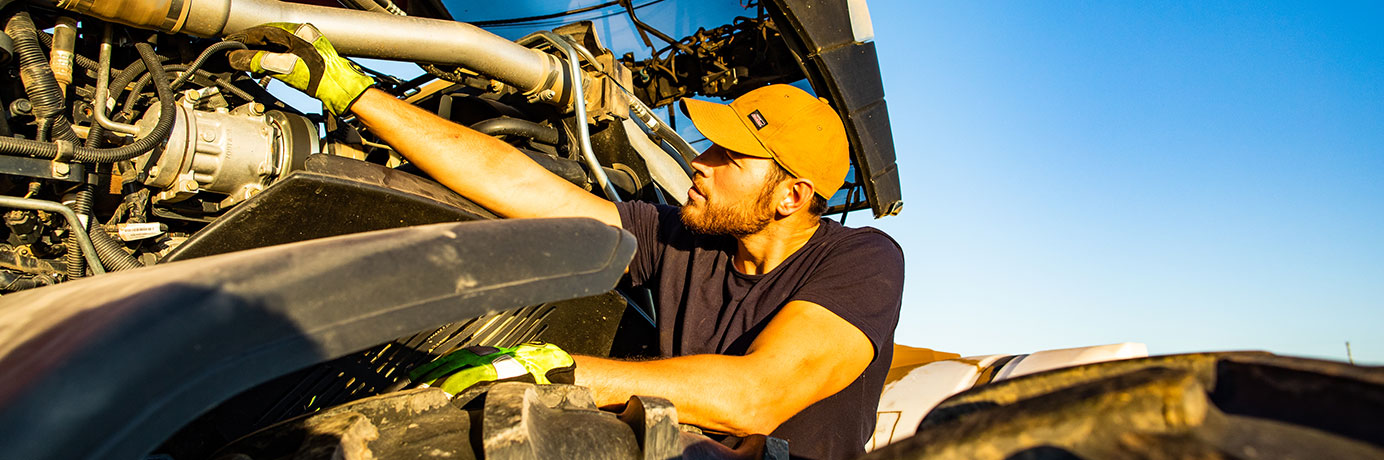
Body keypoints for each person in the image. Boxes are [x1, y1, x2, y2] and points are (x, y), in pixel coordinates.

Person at [228, 23, 904, 459]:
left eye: (730, 157)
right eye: (707, 145)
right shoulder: (683, 239)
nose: (699, 161)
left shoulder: (862, 262)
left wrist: (555, 368)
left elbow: (758, 396)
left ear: (790, 197)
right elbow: (528, 189)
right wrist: (354, 94)